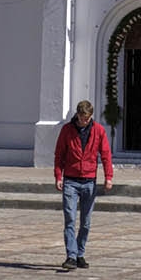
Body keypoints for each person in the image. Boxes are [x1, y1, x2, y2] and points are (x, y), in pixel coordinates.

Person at [53, 99, 113, 271]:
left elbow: (106, 154)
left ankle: (80, 253)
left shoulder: (98, 131)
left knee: (86, 222)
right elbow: (59, 155)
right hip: (71, 180)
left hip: (89, 181)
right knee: (70, 219)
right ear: (77, 115)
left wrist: (108, 177)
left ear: (90, 116)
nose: (83, 121)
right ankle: (71, 256)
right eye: (81, 117)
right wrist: (59, 176)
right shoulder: (67, 130)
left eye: (86, 118)